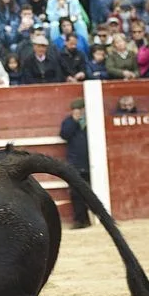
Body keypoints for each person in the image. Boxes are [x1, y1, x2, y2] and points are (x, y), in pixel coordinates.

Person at [60, 98, 90, 229]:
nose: (78, 113)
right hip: (76, 163)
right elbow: (64, 135)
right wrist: (74, 121)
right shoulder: (69, 121)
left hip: (92, 163)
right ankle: (81, 220)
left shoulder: (93, 119)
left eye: (80, 110)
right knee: (76, 193)